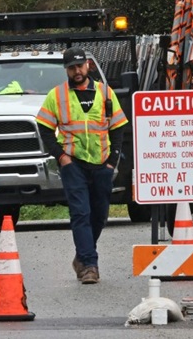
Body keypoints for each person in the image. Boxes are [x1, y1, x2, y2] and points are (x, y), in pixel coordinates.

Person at [36, 47, 127, 284]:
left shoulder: (105, 92)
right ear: (66, 70)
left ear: (88, 65)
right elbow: (45, 128)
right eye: (71, 68)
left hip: (102, 164)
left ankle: (82, 255)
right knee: (80, 213)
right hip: (73, 163)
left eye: (80, 66)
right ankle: (89, 265)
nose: (77, 71)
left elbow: (118, 127)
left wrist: (112, 162)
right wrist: (61, 157)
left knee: (99, 215)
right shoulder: (57, 95)